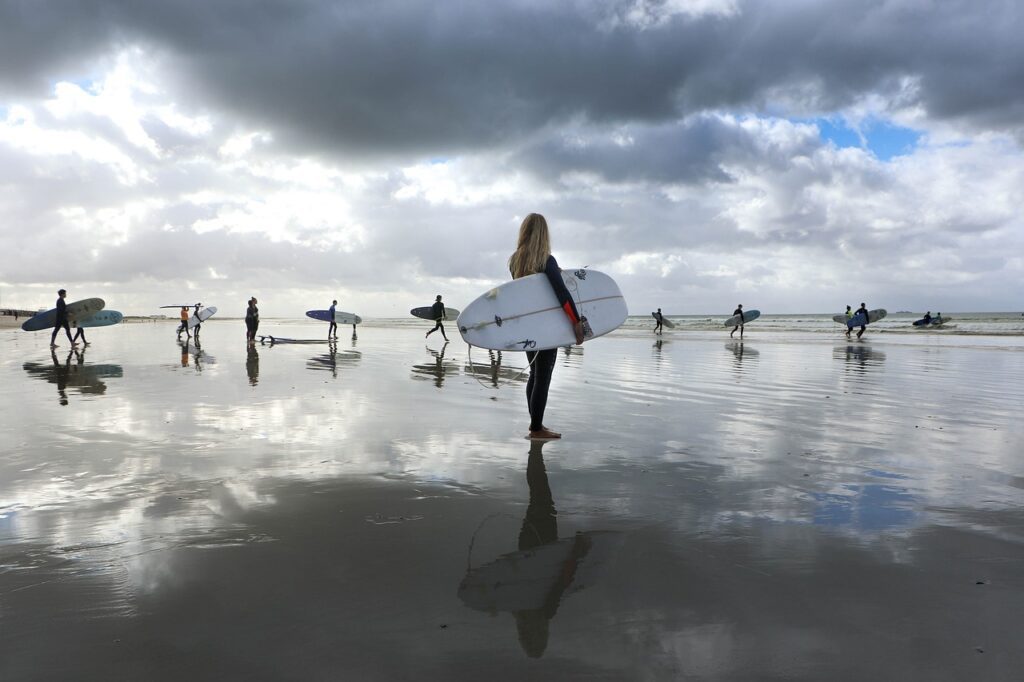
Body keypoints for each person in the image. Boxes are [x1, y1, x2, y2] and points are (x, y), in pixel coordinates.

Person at [509, 213, 585, 440]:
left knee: (535, 373)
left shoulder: (515, 261)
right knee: (543, 376)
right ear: (544, 234)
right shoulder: (546, 260)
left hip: (527, 326)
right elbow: (561, 294)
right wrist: (577, 322)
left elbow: (531, 292)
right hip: (547, 329)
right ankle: (536, 428)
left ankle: (535, 423)